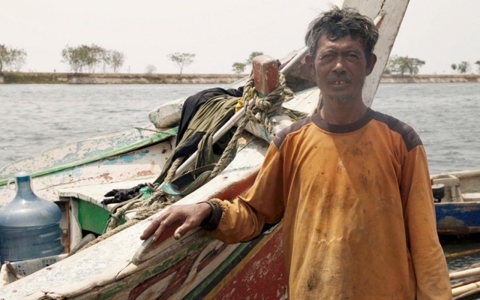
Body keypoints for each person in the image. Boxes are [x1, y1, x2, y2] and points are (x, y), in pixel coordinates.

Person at [141, 7, 451, 299]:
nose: (339, 66)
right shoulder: (290, 141)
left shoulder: (401, 141)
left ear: (369, 64)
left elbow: (426, 245)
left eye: (351, 56)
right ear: (314, 64)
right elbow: (254, 214)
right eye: (329, 55)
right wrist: (208, 211)